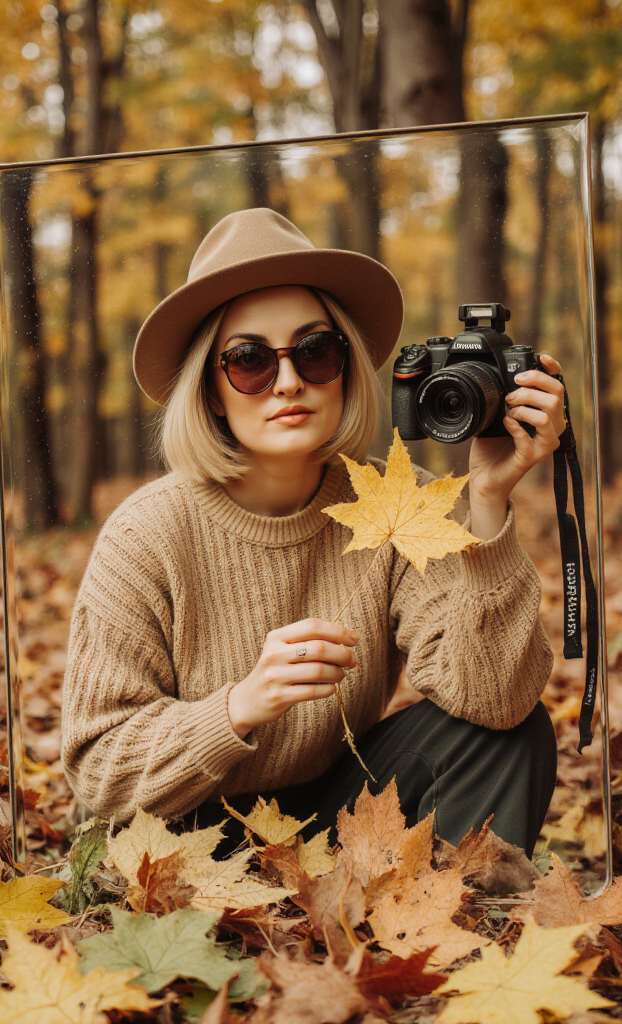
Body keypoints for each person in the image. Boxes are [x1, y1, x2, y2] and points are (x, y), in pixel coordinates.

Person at [61, 207, 566, 857]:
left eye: (315, 350)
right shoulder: (147, 533)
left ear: (346, 365)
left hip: (334, 816)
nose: (290, 381)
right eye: (249, 361)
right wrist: (239, 705)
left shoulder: (390, 505)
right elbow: (99, 767)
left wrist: (490, 500)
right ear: (212, 391)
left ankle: (439, 930)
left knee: (511, 734)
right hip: (183, 835)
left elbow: (493, 698)